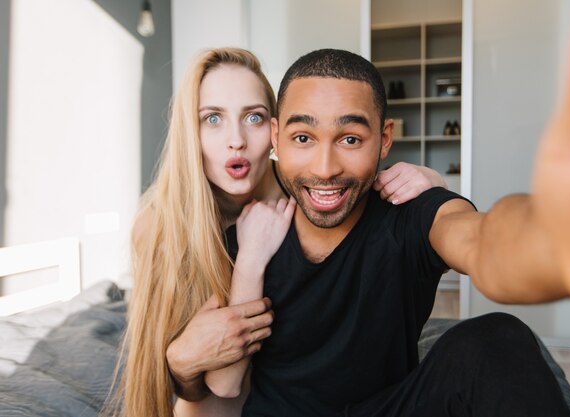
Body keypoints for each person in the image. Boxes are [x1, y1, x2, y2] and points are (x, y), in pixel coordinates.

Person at [169, 0, 570, 414]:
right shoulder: (245, 235)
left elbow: (484, 242)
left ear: (384, 139)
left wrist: (562, 236)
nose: (325, 168)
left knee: (497, 339)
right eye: (303, 138)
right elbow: (223, 384)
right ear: (274, 138)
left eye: (350, 139)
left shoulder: (408, 215)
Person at [114, 47, 447, 417]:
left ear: (275, 132)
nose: (236, 140)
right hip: (226, 396)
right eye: (212, 119)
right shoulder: (159, 228)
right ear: (188, 132)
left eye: (253, 117)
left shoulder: (311, 193)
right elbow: (178, 380)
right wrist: (181, 361)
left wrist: (431, 179)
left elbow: (376, 192)